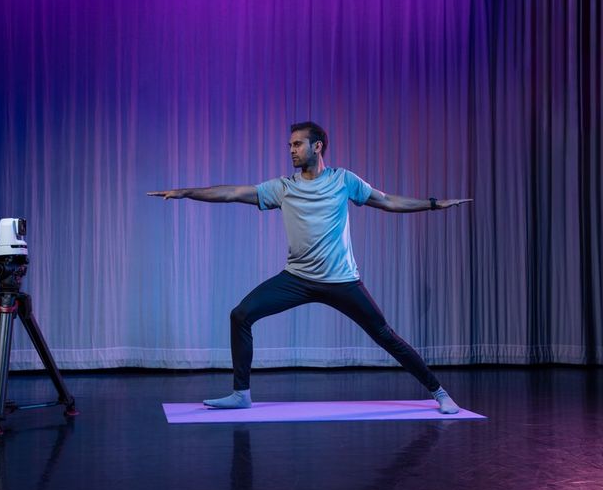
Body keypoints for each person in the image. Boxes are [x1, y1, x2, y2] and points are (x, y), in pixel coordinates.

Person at [148, 121, 470, 414]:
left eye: (297, 144)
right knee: (241, 315)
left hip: (341, 281)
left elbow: (386, 201)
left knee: (385, 335)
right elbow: (233, 192)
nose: (291, 150)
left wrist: (432, 204)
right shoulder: (284, 187)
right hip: (297, 279)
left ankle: (439, 392)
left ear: (317, 146)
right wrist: (185, 192)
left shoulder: (344, 180)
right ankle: (241, 393)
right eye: (289, 145)